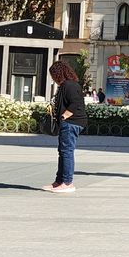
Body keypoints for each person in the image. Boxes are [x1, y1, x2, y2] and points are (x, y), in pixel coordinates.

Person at [46, 58, 86, 194]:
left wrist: (64, 116)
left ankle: (67, 182)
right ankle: (59, 181)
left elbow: (76, 103)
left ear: (58, 74)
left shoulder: (70, 85)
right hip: (69, 122)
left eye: (53, 75)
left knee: (67, 151)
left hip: (71, 122)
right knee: (63, 152)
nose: (52, 78)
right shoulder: (65, 86)